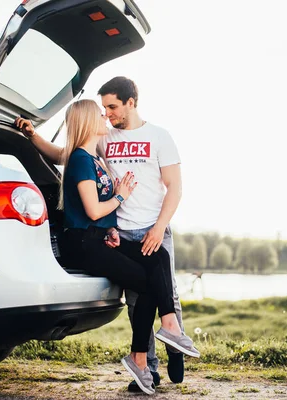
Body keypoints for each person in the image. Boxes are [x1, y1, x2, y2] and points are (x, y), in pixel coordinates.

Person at [14, 100, 199, 395]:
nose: (105, 115)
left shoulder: (94, 155)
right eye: (100, 112)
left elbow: (100, 213)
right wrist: (121, 196)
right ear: (88, 121)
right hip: (85, 242)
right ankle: (142, 358)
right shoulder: (80, 158)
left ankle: (169, 330)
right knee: (149, 285)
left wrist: (111, 227)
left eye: (109, 108)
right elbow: (94, 209)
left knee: (158, 256)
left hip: (101, 236)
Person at [97, 77, 186, 391]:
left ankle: (176, 348)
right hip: (122, 234)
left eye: (112, 106)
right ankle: (146, 369)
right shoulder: (103, 138)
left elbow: (174, 187)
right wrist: (32, 136)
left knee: (167, 294)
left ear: (130, 102)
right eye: (104, 107)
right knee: (137, 303)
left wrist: (159, 228)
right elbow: (65, 154)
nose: (106, 113)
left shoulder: (159, 136)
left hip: (155, 228)